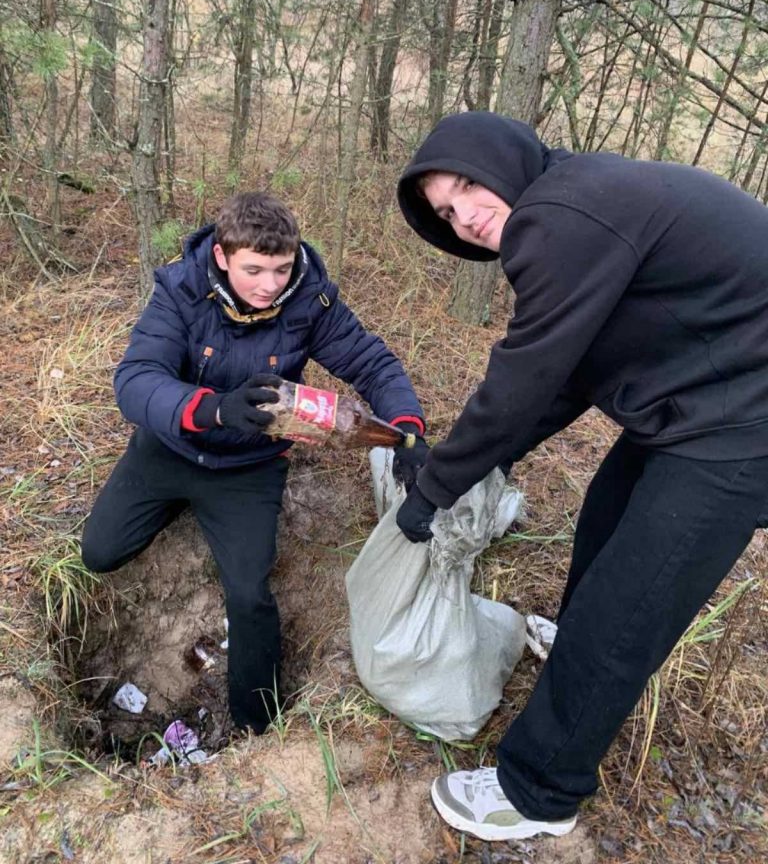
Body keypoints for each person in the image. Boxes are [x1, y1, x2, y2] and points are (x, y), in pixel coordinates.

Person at [395, 110, 768, 842]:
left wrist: (438, 485)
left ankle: (539, 789)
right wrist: (490, 456)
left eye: (467, 186)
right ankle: (574, 648)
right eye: (444, 212)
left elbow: (525, 374)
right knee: (606, 517)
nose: (464, 217)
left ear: (504, 161)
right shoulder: (576, 203)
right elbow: (567, 374)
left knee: (628, 606)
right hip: (705, 396)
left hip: (744, 425)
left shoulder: (561, 215)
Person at [81, 191, 427, 734]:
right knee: (100, 553)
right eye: (254, 270)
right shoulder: (181, 290)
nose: (270, 285)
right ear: (222, 257)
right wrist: (215, 409)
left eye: (281, 269)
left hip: (249, 467)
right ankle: (177, 501)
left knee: (248, 593)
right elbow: (136, 381)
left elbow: (372, 363)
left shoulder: (309, 300)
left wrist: (408, 429)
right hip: (170, 447)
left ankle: (256, 722)